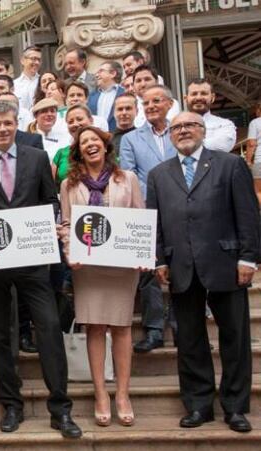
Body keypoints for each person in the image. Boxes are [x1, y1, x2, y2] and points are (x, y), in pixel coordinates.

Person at [0, 101, 81, 439]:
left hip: (32, 259)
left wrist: (50, 222)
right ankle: (11, 405)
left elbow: (51, 200)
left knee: (48, 328)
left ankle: (60, 409)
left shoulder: (37, 157)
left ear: (17, 125)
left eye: (8, 123)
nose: (2, 129)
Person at [148, 112, 259, 433]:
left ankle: (235, 407)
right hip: (180, 266)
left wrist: (249, 258)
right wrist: (159, 260)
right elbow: (154, 222)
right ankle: (198, 406)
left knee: (235, 338)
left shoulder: (230, 165)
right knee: (190, 339)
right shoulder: (158, 174)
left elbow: (248, 214)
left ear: (202, 130)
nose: (183, 131)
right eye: (177, 127)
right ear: (170, 135)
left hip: (226, 262)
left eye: (189, 125)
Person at [59, 126, 143, 427]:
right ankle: (100, 394)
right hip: (88, 268)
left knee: (121, 328)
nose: (90, 145)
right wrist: (71, 254)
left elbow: (139, 219)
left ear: (105, 146)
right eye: (84, 142)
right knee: (94, 328)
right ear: (79, 151)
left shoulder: (128, 179)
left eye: (95, 140)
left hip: (121, 267)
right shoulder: (70, 184)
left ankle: (122, 394)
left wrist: (142, 253)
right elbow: (66, 224)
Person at [120, 85, 177, 353]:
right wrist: (151, 203)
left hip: (181, 212)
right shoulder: (130, 139)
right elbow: (130, 176)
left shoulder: (181, 131)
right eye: (147, 102)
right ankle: (154, 329)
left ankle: (181, 327)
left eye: (157, 101)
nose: (151, 105)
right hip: (145, 212)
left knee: (183, 268)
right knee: (148, 274)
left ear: (169, 103)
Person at [183, 78, 236, 152]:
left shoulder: (225, 124)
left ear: (212, 97)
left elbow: (222, 147)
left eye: (204, 93)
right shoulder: (175, 124)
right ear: (186, 98)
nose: (198, 98)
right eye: (194, 94)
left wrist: (184, 145)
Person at [53, 104, 94, 187]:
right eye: (70, 122)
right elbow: (50, 187)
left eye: (79, 119)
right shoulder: (61, 153)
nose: (75, 124)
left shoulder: (103, 148)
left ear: (91, 120)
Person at [89, 61, 125, 132]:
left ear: (113, 74)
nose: (96, 75)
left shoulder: (124, 93)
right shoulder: (91, 96)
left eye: (101, 71)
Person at [13, 46, 42, 112]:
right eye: (33, 59)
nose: (37, 62)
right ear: (23, 61)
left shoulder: (43, 82)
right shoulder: (14, 85)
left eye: (39, 60)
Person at [246, 100, 261, 201]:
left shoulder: (255, 122)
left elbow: (252, 144)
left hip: (260, 160)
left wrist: (248, 161)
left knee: (259, 191)